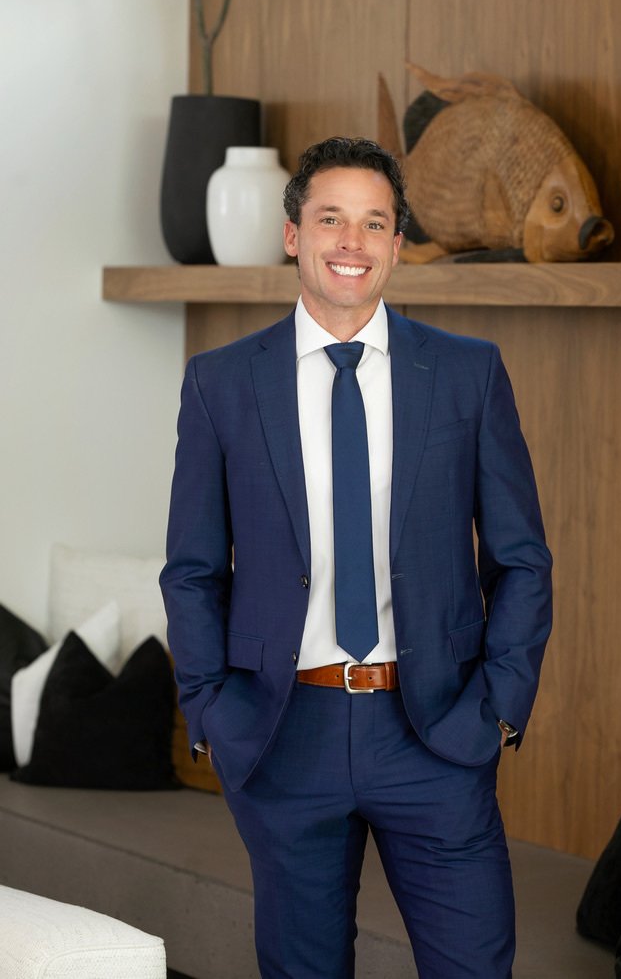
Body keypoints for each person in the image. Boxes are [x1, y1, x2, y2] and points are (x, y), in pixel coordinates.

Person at [160, 136, 553, 979]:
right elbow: (191, 571)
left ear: (397, 245)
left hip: (436, 732)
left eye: (375, 223)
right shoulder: (221, 384)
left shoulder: (468, 374)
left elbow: (521, 559)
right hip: (283, 732)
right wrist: (211, 710)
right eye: (331, 218)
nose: (353, 241)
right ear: (293, 234)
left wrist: (498, 709)